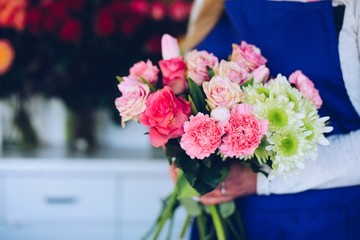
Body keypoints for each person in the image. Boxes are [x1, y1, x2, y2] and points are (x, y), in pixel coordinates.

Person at [176, 0, 360, 239]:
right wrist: (183, 157)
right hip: (226, 222)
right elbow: (187, 90)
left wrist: (260, 179)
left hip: (326, 220)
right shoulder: (209, 4)